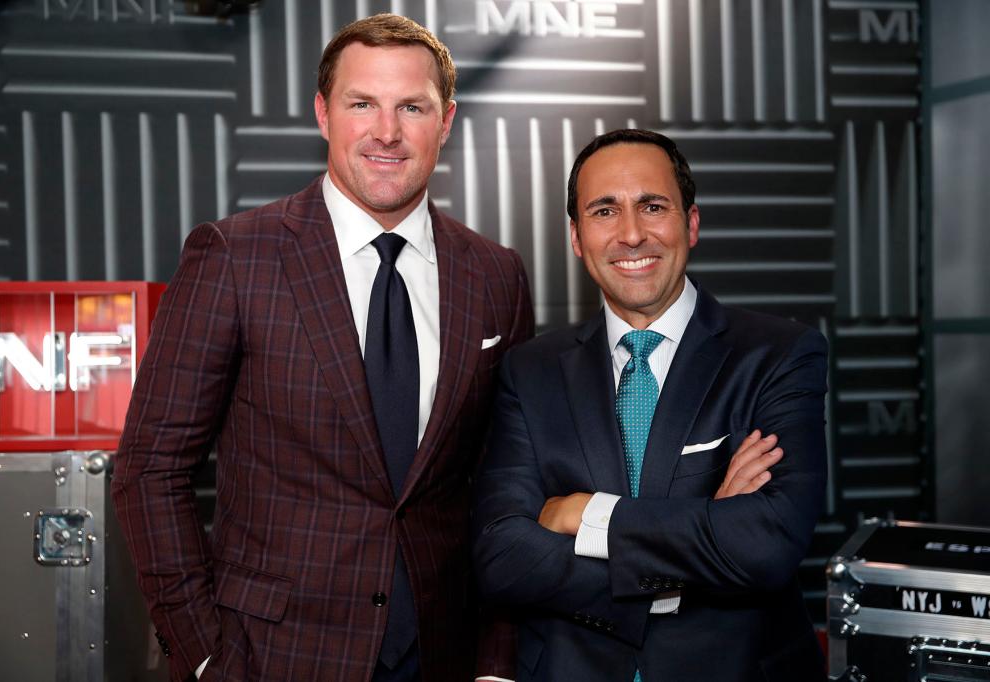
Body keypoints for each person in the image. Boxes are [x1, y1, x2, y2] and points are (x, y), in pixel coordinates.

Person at [112, 14, 532, 682]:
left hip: (443, 655)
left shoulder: (495, 276)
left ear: (446, 120)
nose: (386, 132)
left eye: (412, 108)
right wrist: (203, 658)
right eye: (362, 103)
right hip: (270, 657)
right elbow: (150, 470)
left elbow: (508, 484)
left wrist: (497, 660)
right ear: (322, 113)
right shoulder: (235, 256)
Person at [471, 129, 828, 681]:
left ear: (691, 223)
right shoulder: (530, 370)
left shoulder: (778, 355)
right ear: (576, 236)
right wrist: (698, 541)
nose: (632, 234)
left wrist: (583, 513)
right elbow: (502, 554)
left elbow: (765, 543)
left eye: (653, 207)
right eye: (605, 211)